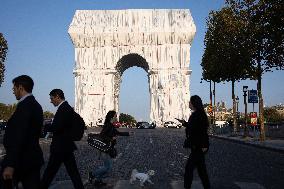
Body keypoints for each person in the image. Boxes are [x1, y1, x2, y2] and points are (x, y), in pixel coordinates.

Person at [0, 75, 44, 189]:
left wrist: (10, 164)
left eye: (14, 89)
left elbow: (19, 137)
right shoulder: (36, 105)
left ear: (20, 87)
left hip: (22, 160)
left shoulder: (25, 107)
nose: (13, 92)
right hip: (31, 158)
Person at [40, 89, 84, 189]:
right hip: (66, 146)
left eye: (52, 98)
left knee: (49, 172)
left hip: (60, 147)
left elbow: (57, 127)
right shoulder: (67, 108)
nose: (51, 101)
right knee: (73, 173)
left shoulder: (63, 108)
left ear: (57, 97)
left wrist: (45, 126)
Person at [88, 110, 131, 187]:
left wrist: (128, 133)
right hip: (105, 149)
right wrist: (111, 139)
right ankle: (93, 174)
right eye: (115, 116)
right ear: (112, 117)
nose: (116, 117)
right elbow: (102, 135)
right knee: (107, 167)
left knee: (106, 166)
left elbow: (118, 133)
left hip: (108, 148)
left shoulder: (111, 125)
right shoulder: (108, 125)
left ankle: (98, 181)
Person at [183, 95, 210, 189]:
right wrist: (185, 123)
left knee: (189, 169)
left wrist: (204, 145)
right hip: (198, 146)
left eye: (190, 102)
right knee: (202, 171)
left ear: (194, 103)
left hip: (198, 146)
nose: (189, 103)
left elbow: (201, 131)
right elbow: (194, 128)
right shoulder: (199, 114)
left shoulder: (197, 115)